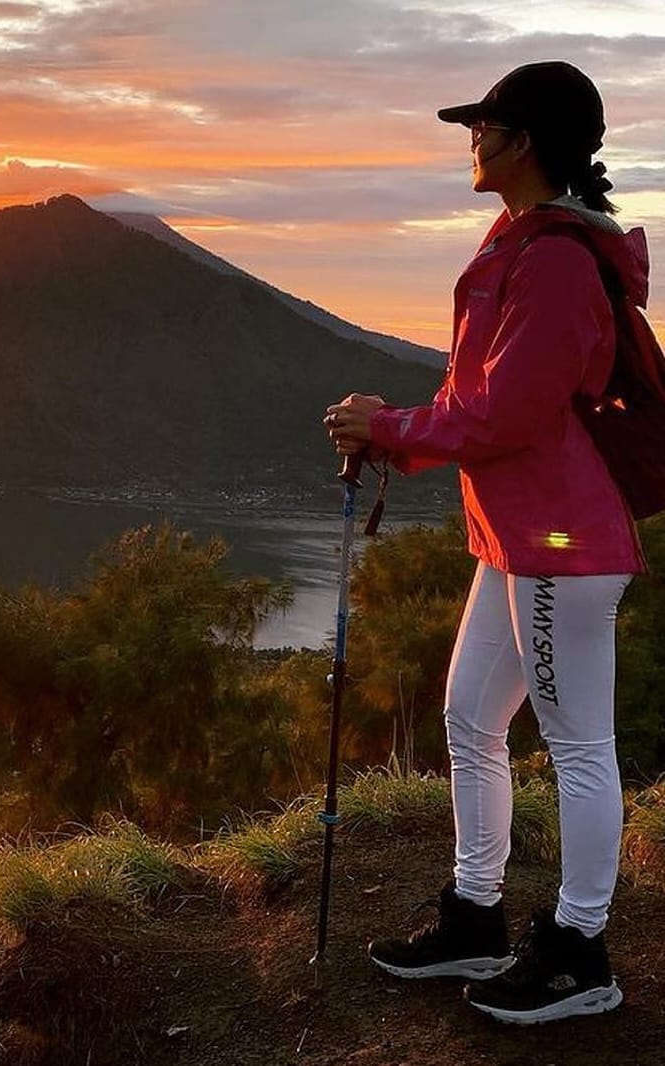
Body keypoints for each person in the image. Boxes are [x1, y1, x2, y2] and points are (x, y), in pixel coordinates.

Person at [324, 60, 650, 1025]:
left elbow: (506, 413)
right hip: (517, 535)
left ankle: (579, 952)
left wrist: (389, 430)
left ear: (523, 142)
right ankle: (475, 917)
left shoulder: (551, 260)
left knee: (579, 747)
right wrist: (396, 423)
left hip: (560, 542)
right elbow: (482, 402)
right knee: (470, 717)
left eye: (483, 127)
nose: (470, 140)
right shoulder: (521, 240)